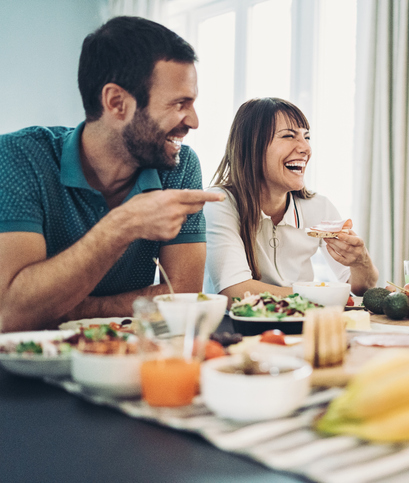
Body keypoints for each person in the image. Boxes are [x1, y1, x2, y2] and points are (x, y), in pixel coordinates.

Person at [0, 16, 224, 333]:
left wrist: (73, 308)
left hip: (128, 362)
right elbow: (10, 315)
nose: (194, 121)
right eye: (179, 103)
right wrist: (122, 226)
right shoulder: (20, 157)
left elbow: (182, 297)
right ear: (117, 102)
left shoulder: (178, 165)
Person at [203, 97, 378, 302]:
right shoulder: (220, 204)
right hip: (239, 331)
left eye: (307, 137)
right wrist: (325, 294)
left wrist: (360, 261)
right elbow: (236, 292)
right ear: (251, 146)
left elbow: (362, 288)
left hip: (301, 328)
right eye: (288, 136)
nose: (305, 148)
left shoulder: (319, 207)